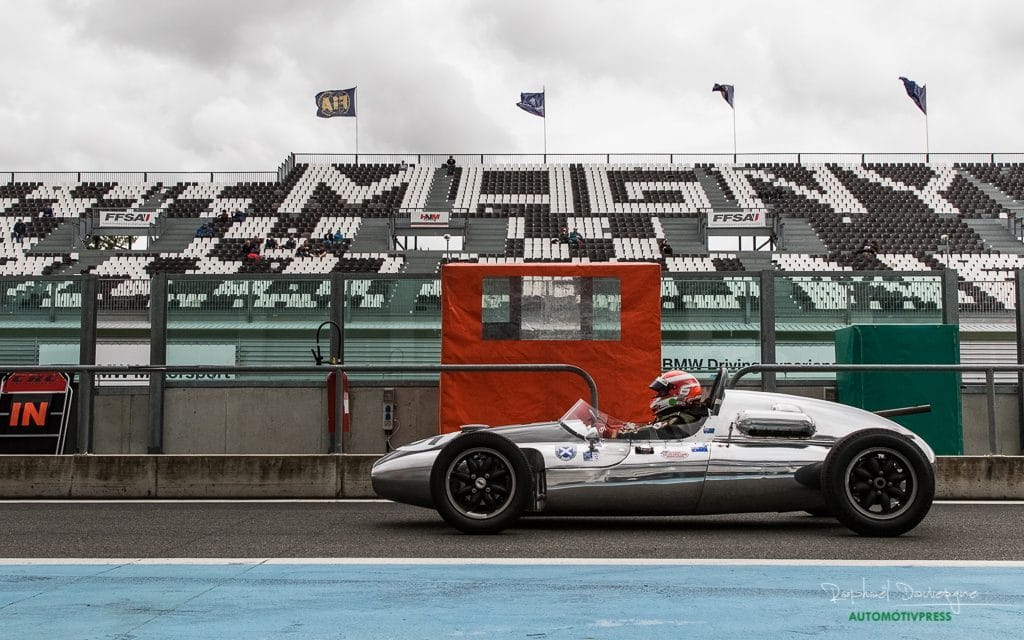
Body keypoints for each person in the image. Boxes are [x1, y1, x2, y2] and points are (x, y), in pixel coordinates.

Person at [612, 370, 708, 440]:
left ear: (683, 392)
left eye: (662, 392)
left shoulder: (681, 418)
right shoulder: (680, 414)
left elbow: (657, 431)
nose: (658, 396)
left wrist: (617, 435)